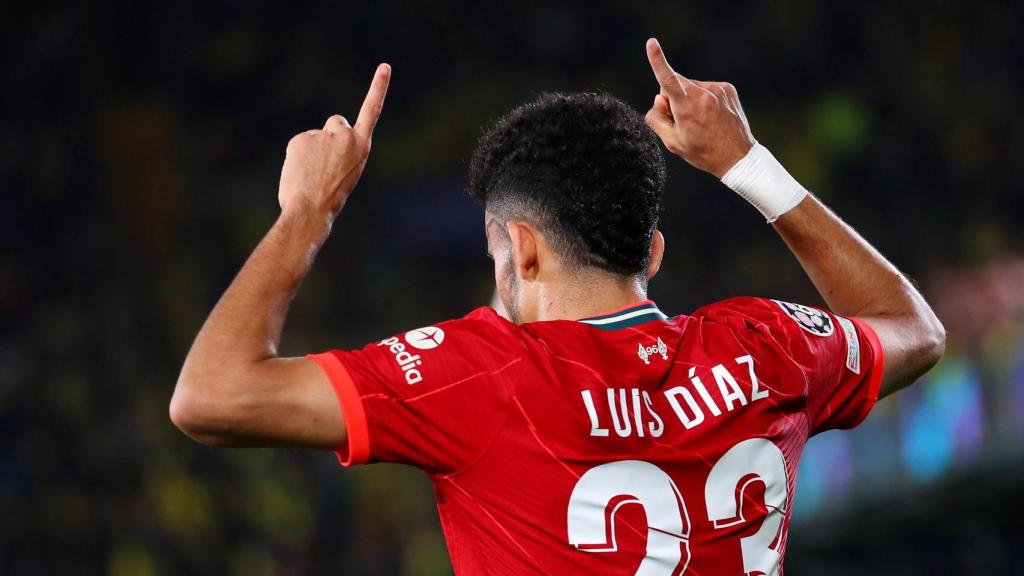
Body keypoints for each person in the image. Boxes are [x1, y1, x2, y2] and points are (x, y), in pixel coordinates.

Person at [170, 39, 945, 575]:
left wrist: (308, 211)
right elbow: (915, 330)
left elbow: (210, 397)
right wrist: (748, 164)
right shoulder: (766, 346)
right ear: (653, 254)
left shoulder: (479, 377)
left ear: (522, 248)